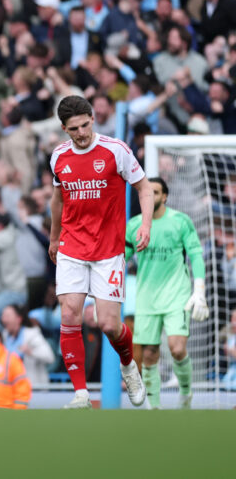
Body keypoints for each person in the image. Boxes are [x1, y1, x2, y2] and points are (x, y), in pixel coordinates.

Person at [49, 95, 153, 409]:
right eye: (74, 128)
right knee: (69, 314)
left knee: (108, 324)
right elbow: (58, 200)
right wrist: (54, 237)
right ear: (64, 128)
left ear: (92, 119)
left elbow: (144, 187)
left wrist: (145, 224)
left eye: (85, 124)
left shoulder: (115, 150)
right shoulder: (58, 157)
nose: (81, 132)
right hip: (72, 245)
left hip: (108, 249)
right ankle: (81, 393)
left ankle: (128, 366)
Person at [125, 177, 208, 409]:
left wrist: (199, 289)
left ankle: (185, 393)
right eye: (148, 192)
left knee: (177, 348)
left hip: (176, 296)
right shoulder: (134, 225)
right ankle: (154, 409)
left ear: (165, 196)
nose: (152, 195)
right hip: (146, 299)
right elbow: (120, 257)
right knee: (149, 354)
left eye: (156, 192)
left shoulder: (180, 221)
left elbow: (195, 254)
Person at [0, 304, 55, 387]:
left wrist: (31, 352)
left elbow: (50, 357)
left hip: (33, 388)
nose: (4, 319)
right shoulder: (3, 336)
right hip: (9, 387)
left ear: (19, 319)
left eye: (7, 316)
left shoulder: (32, 335)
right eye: (3, 316)